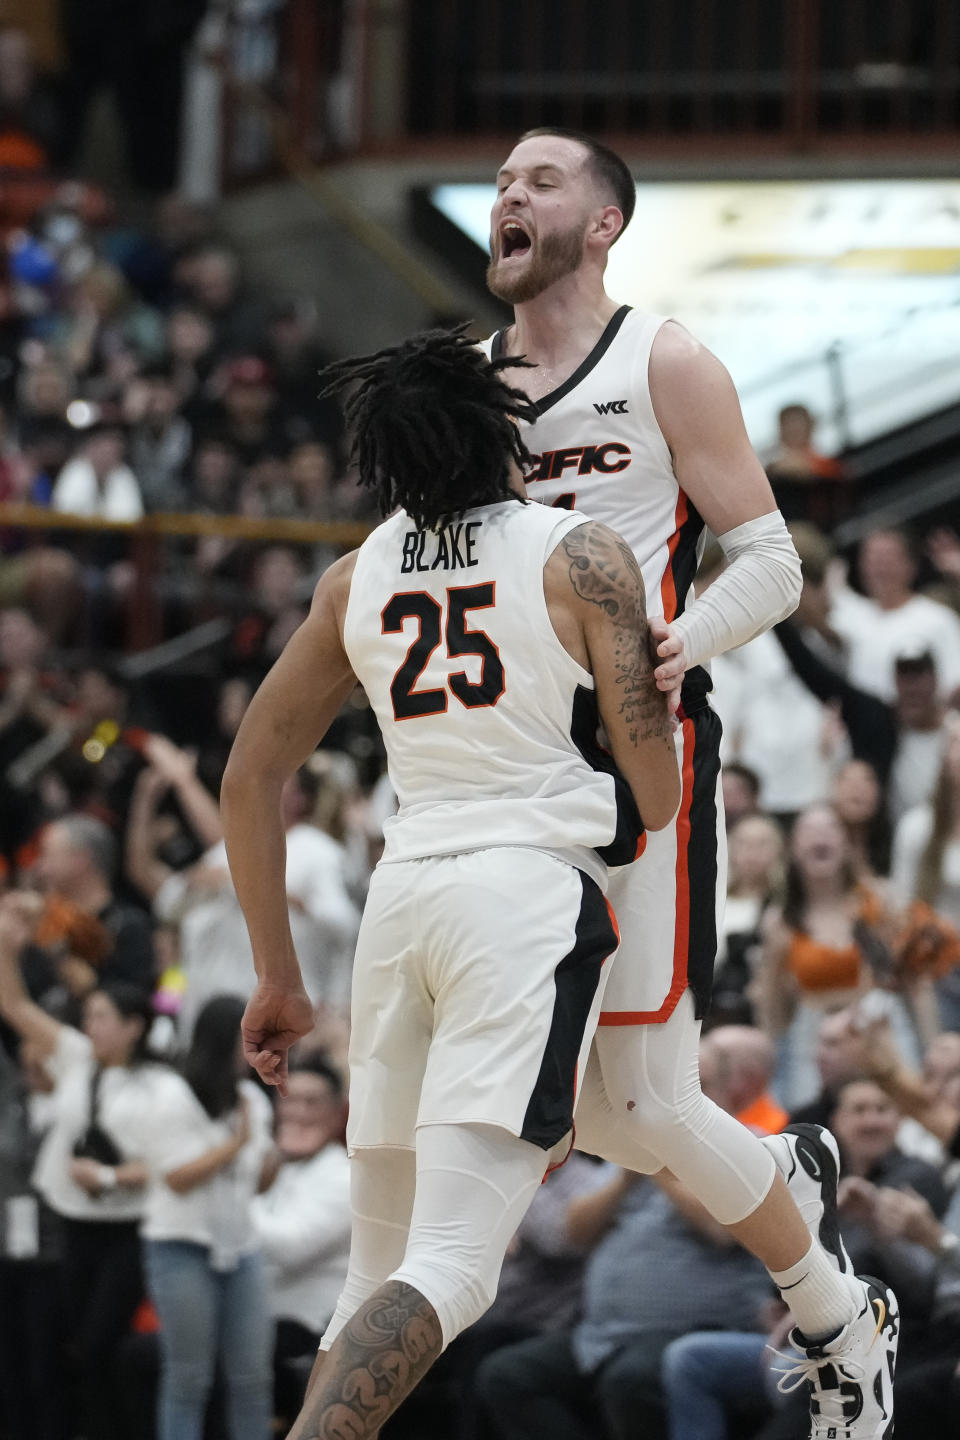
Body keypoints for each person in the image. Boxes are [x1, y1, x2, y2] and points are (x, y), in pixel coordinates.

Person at [482, 125, 895, 1434]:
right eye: (500, 180)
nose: (508, 193)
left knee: (638, 1098)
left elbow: (771, 562)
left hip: (642, 738)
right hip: (507, 758)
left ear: (601, 223)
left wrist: (672, 644)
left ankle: (829, 1291)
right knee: (578, 1109)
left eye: (539, 179)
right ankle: (791, 1180)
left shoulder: (666, 359)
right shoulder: (464, 386)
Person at [220, 324, 683, 1440]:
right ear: (502, 431)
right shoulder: (580, 557)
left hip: (403, 901)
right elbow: (659, 794)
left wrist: (278, 973)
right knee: (456, 1269)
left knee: (369, 1276)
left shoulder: (352, 576)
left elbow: (250, 774)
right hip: (520, 902)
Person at [0, 893, 161, 1440]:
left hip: (126, 1229)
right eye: (88, 1016)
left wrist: (113, 1177)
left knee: (100, 1344)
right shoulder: (74, 1056)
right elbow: (16, 1007)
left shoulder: (161, 1086)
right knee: (78, 1347)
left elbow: (168, 1167)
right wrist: (4, 945)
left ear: (133, 1026)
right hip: (72, 1223)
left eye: (101, 1017)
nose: (89, 1024)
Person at [136, 994, 275, 1440]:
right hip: (181, 1247)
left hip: (242, 1246)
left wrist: (278, 1154)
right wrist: (234, 1146)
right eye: (248, 1036)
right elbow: (175, 1177)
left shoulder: (252, 1096)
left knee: (253, 1378)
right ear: (222, 1038)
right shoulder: (171, 1094)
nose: (256, 1046)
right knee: (189, 1378)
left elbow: (257, 1183)